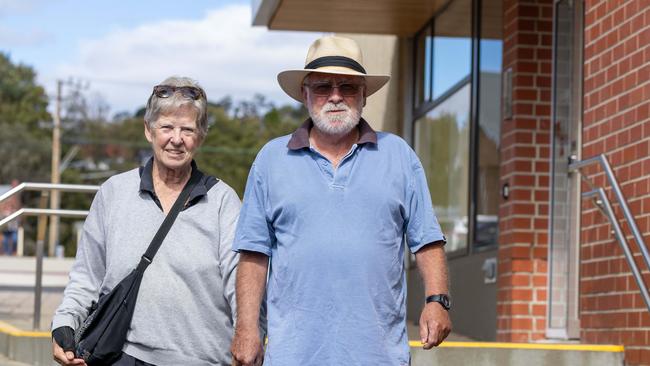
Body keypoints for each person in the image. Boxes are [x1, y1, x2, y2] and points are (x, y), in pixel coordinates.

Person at [230, 36, 452, 366]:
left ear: (364, 94)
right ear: (305, 94)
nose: (335, 96)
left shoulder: (399, 155)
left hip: (378, 356)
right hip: (294, 355)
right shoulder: (270, 160)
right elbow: (253, 252)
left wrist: (437, 300)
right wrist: (247, 328)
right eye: (323, 87)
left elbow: (426, 240)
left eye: (347, 86)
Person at [52, 77, 241, 366]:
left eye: (187, 129)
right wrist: (65, 322)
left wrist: (250, 336)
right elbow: (86, 278)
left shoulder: (223, 202)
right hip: (123, 356)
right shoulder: (113, 193)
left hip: (202, 359)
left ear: (201, 136)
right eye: (166, 127)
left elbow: (240, 286)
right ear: (148, 130)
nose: (176, 139)